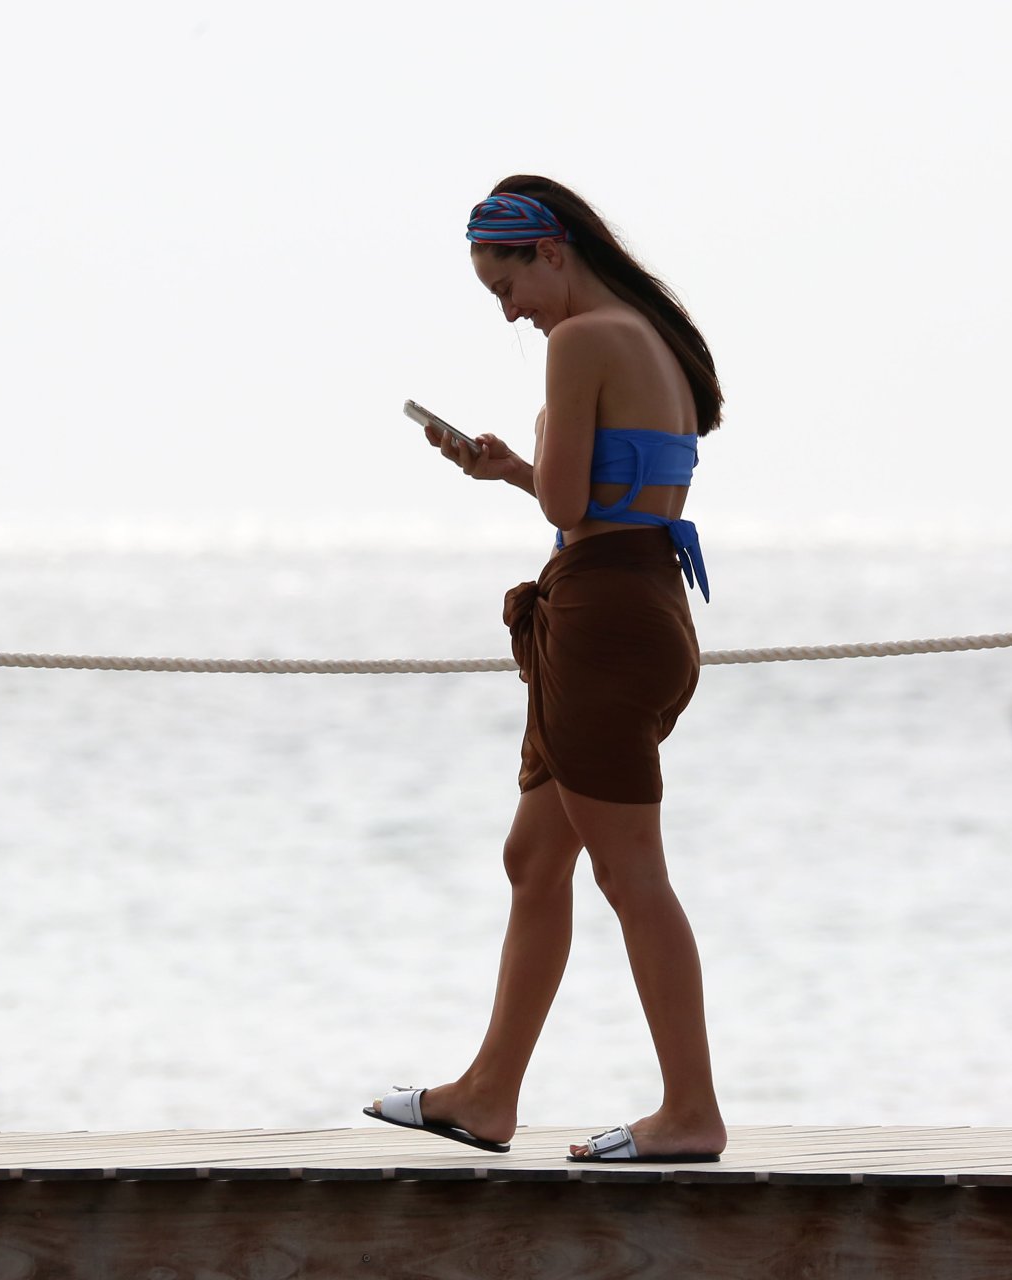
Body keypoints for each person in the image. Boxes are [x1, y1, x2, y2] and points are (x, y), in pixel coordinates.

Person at [366, 176, 726, 1163]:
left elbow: (566, 504)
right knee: (535, 859)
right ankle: (487, 1093)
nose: (509, 312)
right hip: (642, 599)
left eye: (506, 286)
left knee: (631, 873)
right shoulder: (649, 333)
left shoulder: (580, 340)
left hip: (603, 618)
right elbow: (609, 498)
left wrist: (536, 472)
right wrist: (512, 470)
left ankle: (690, 1109)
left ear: (550, 251)